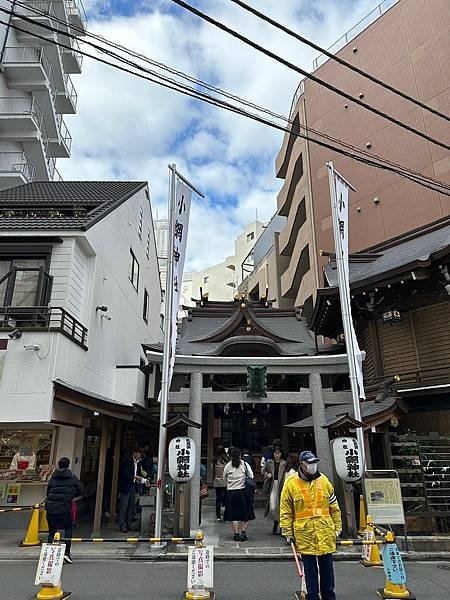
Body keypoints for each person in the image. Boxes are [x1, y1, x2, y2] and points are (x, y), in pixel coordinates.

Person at [280, 450, 342, 600]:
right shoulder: (291, 483)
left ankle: (329, 597)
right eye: (309, 464)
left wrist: (337, 527)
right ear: (302, 465)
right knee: (310, 572)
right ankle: (312, 597)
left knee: (328, 571)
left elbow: (334, 506)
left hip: (325, 532)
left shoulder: (324, 481)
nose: (313, 466)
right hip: (305, 534)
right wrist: (288, 533)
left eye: (315, 463)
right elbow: (286, 510)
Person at [45, 457, 84, 564]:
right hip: (65, 507)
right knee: (68, 528)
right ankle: (66, 553)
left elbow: (48, 492)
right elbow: (81, 490)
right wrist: (72, 496)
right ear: (68, 465)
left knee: (52, 531)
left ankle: (49, 554)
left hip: (51, 508)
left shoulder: (53, 477)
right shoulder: (72, 477)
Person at [223, 447, 255, 542]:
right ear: (240, 456)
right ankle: (243, 533)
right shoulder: (244, 464)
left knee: (234, 514)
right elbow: (251, 476)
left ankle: (236, 534)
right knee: (245, 513)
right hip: (243, 491)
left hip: (231, 492)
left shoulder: (228, 466)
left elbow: (224, 479)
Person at [118, 448, 143, 533]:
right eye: (139, 454)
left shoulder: (138, 463)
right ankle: (122, 525)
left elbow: (138, 474)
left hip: (133, 485)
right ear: (134, 453)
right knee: (124, 506)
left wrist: (141, 480)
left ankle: (129, 524)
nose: (140, 456)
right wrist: (134, 477)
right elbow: (124, 474)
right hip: (126, 485)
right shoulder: (127, 461)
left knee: (131, 505)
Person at [263, 445, 286, 534]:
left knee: (281, 506)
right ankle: (275, 522)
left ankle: (280, 525)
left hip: (282, 485)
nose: (277, 455)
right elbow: (264, 470)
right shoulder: (269, 462)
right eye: (275, 453)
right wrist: (267, 474)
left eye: (278, 453)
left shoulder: (284, 463)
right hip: (273, 484)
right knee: (273, 506)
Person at [212, 445, 229, 522]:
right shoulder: (226, 459)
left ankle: (218, 516)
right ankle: (226, 516)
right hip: (225, 481)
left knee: (218, 499)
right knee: (225, 498)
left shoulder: (214, 460)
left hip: (217, 481)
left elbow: (212, 471)